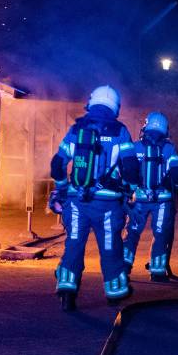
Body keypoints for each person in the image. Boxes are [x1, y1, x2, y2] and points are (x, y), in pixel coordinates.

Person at [48, 85, 140, 311]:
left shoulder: (76, 129)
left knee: (73, 244)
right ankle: (115, 293)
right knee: (110, 247)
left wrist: (62, 189)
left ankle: (67, 291)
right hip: (108, 205)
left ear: (92, 103)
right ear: (115, 106)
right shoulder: (120, 131)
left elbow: (57, 164)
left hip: (76, 202)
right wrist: (129, 190)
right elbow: (130, 168)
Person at [123, 111, 178, 281]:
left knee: (132, 232)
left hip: (139, 199)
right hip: (163, 201)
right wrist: (177, 187)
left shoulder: (136, 147)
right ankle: (157, 272)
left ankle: (124, 267)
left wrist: (128, 192)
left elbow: (128, 171)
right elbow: (177, 175)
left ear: (146, 126)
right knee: (160, 234)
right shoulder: (170, 148)